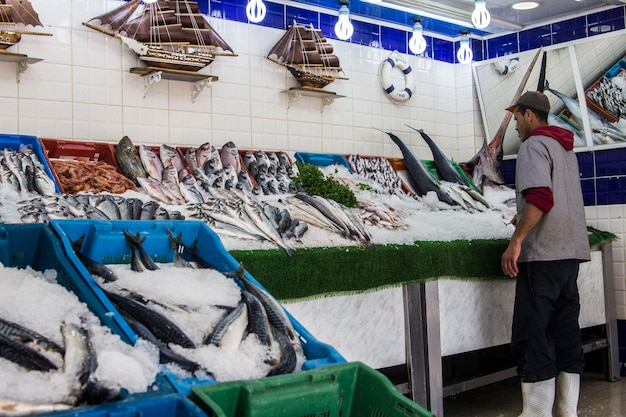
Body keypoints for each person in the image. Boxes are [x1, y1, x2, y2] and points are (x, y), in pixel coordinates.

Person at [501, 91, 590, 417]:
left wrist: (517, 240)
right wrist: (523, 212)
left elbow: (541, 197)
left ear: (528, 115)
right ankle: (568, 411)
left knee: (534, 333)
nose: (515, 126)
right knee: (565, 332)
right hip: (570, 254)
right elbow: (552, 199)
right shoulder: (565, 149)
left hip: (543, 256)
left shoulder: (533, 146)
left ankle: (536, 413)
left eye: (515, 118)